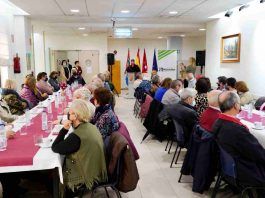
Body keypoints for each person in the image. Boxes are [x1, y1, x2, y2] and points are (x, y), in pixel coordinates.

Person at [52, 99, 107, 197]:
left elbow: (55, 147)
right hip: (95, 170)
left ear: (75, 116)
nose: (68, 115)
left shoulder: (76, 136)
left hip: (84, 176)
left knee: (54, 175)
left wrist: (64, 130)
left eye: (69, 113)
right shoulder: (90, 126)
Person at [213, 91, 265, 188]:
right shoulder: (237, 130)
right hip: (243, 171)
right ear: (236, 105)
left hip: (226, 168)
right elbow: (258, 153)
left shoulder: (218, 121)